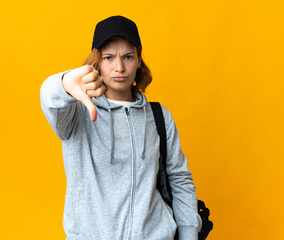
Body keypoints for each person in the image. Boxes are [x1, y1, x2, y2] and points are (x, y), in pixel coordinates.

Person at [40, 15, 202, 240]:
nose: (120, 67)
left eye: (128, 56)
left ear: (139, 61)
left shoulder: (158, 116)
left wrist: (189, 234)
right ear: (96, 62)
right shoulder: (76, 113)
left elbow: (179, 179)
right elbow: (49, 98)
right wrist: (65, 82)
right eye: (109, 58)